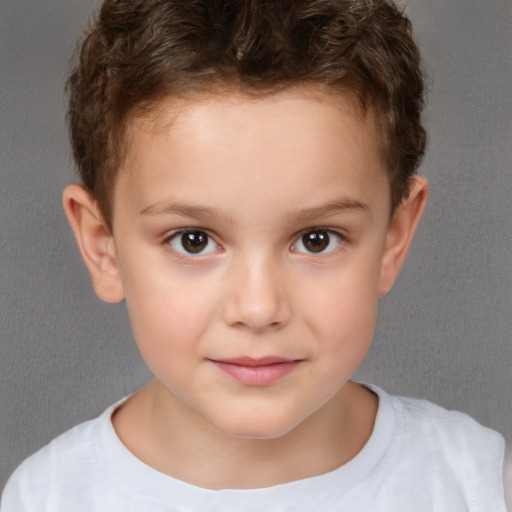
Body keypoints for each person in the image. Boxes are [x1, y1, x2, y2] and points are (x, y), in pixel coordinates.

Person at [1, 0, 510, 510]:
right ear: (103, 247)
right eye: (193, 240)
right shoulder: (47, 497)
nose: (259, 308)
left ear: (393, 239)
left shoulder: (480, 485)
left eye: (317, 239)